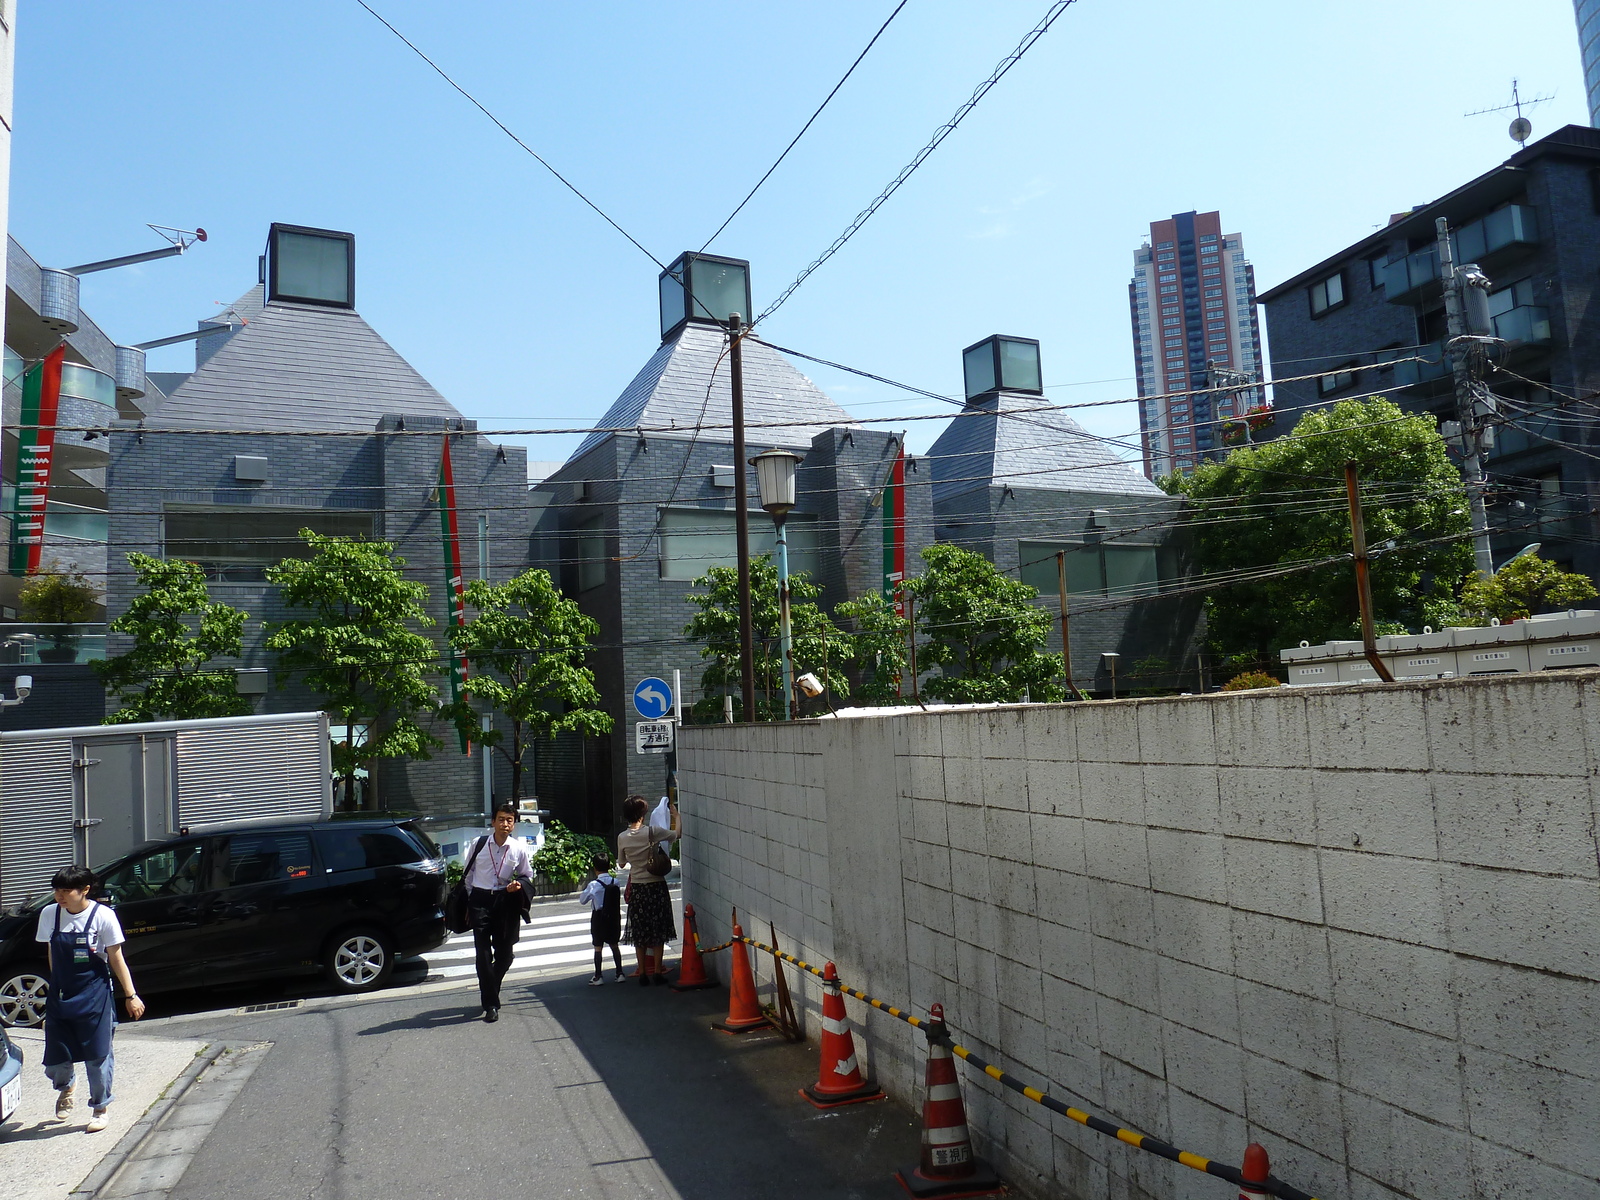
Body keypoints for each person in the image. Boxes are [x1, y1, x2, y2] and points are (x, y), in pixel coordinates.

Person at [35, 865, 145, 1133]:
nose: (59, 896)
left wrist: (131, 995)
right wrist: (56, 986)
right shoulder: (50, 914)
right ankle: (66, 1086)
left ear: (85, 890)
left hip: (95, 994)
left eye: (66, 891)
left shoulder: (103, 916)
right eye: (57, 890)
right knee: (56, 1058)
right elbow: (53, 952)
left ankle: (100, 1107)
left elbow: (116, 958)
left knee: (98, 1055)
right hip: (61, 994)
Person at [464, 800, 534, 1022]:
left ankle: (491, 987)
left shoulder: (518, 848)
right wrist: (469, 902)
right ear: (493, 821)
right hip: (480, 899)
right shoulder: (479, 844)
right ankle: (491, 1004)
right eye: (501, 819)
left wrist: (518, 885)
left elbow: (527, 875)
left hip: (505, 901)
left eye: (509, 820)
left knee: (505, 954)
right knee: (483, 954)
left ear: (514, 825)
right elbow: (468, 874)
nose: (505, 824)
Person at [616, 793, 680, 987]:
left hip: (637, 888)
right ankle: (658, 971)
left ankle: (642, 971)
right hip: (656, 886)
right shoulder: (653, 832)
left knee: (640, 932)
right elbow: (677, 835)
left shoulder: (622, 837)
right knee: (659, 930)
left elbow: (621, 863)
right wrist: (676, 817)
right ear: (642, 814)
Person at [577, 854, 625, 986]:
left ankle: (598, 976)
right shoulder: (615, 882)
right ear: (609, 866)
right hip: (614, 916)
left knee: (598, 947)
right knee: (614, 944)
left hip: (599, 917)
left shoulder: (593, 885)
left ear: (595, 868)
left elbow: (582, 900)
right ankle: (619, 973)